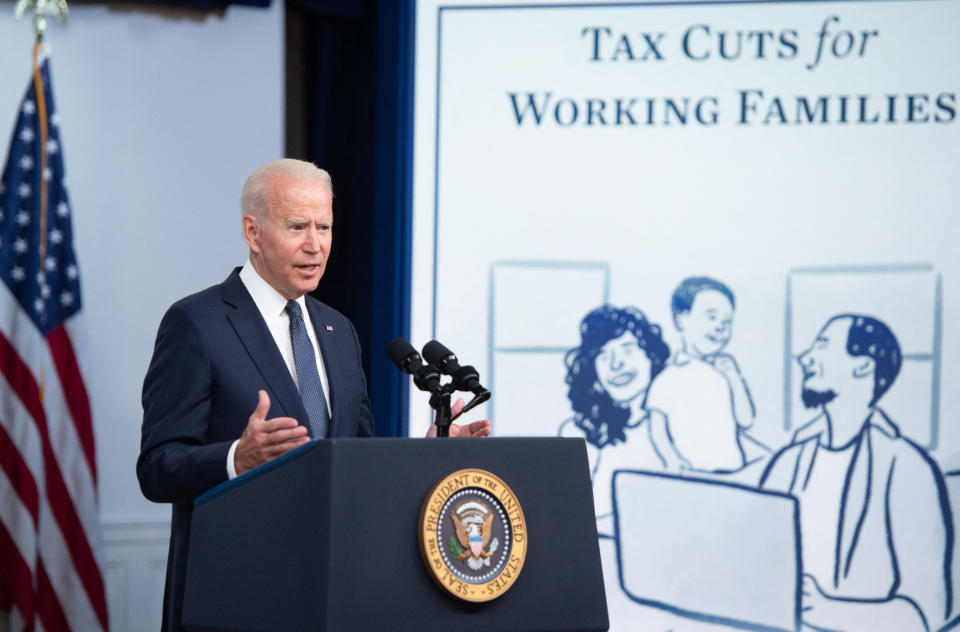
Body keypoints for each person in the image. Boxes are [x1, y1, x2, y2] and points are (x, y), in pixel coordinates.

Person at [137, 159, 490, 632]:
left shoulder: (338, 329)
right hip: (234, 601)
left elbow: (355, 462)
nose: (315, 244)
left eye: (324, 226)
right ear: (253, 231)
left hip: (335, 597)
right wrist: (235, 460)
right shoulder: (197, 324)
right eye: (297, 226)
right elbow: (157, 468)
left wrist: (426, 454)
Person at [761, 314, 952, 632]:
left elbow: (924, 614)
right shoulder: (786, 465)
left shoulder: (907, 469)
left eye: (822, 346)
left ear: (862, 365)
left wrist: (826, 611)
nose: (806, 358)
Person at [558, 305, 675, 531]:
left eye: (627, 349)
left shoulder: (676, 423)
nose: (616, 364)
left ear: (650, 356)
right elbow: (566, 515)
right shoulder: (579, 431)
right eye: (603, 356)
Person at [645, 276, 759, 472]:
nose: (720, 326)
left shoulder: (725, 373)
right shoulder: (668, 379)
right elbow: (657, 430)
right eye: (711, 317)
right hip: (692, 473)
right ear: (682, 320)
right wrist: (672, 460)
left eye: (727, 321)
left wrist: (734, 377)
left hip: (734, 472)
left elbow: (746, 419)